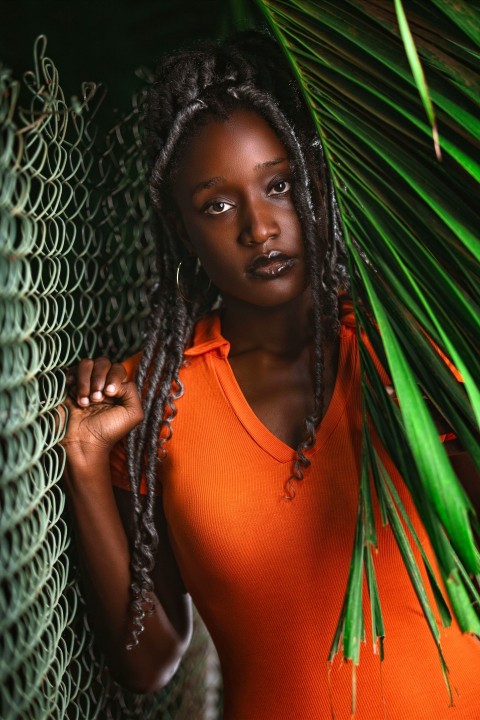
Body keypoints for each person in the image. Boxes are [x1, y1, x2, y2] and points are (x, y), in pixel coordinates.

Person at [62, 30, 480, 720]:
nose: (260, 229)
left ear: (315, 182)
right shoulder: (155, 402)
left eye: (279, 185)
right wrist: (85, 464)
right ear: (180, 224)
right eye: (218, 206)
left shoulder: (412, 361)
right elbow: (148, 659)